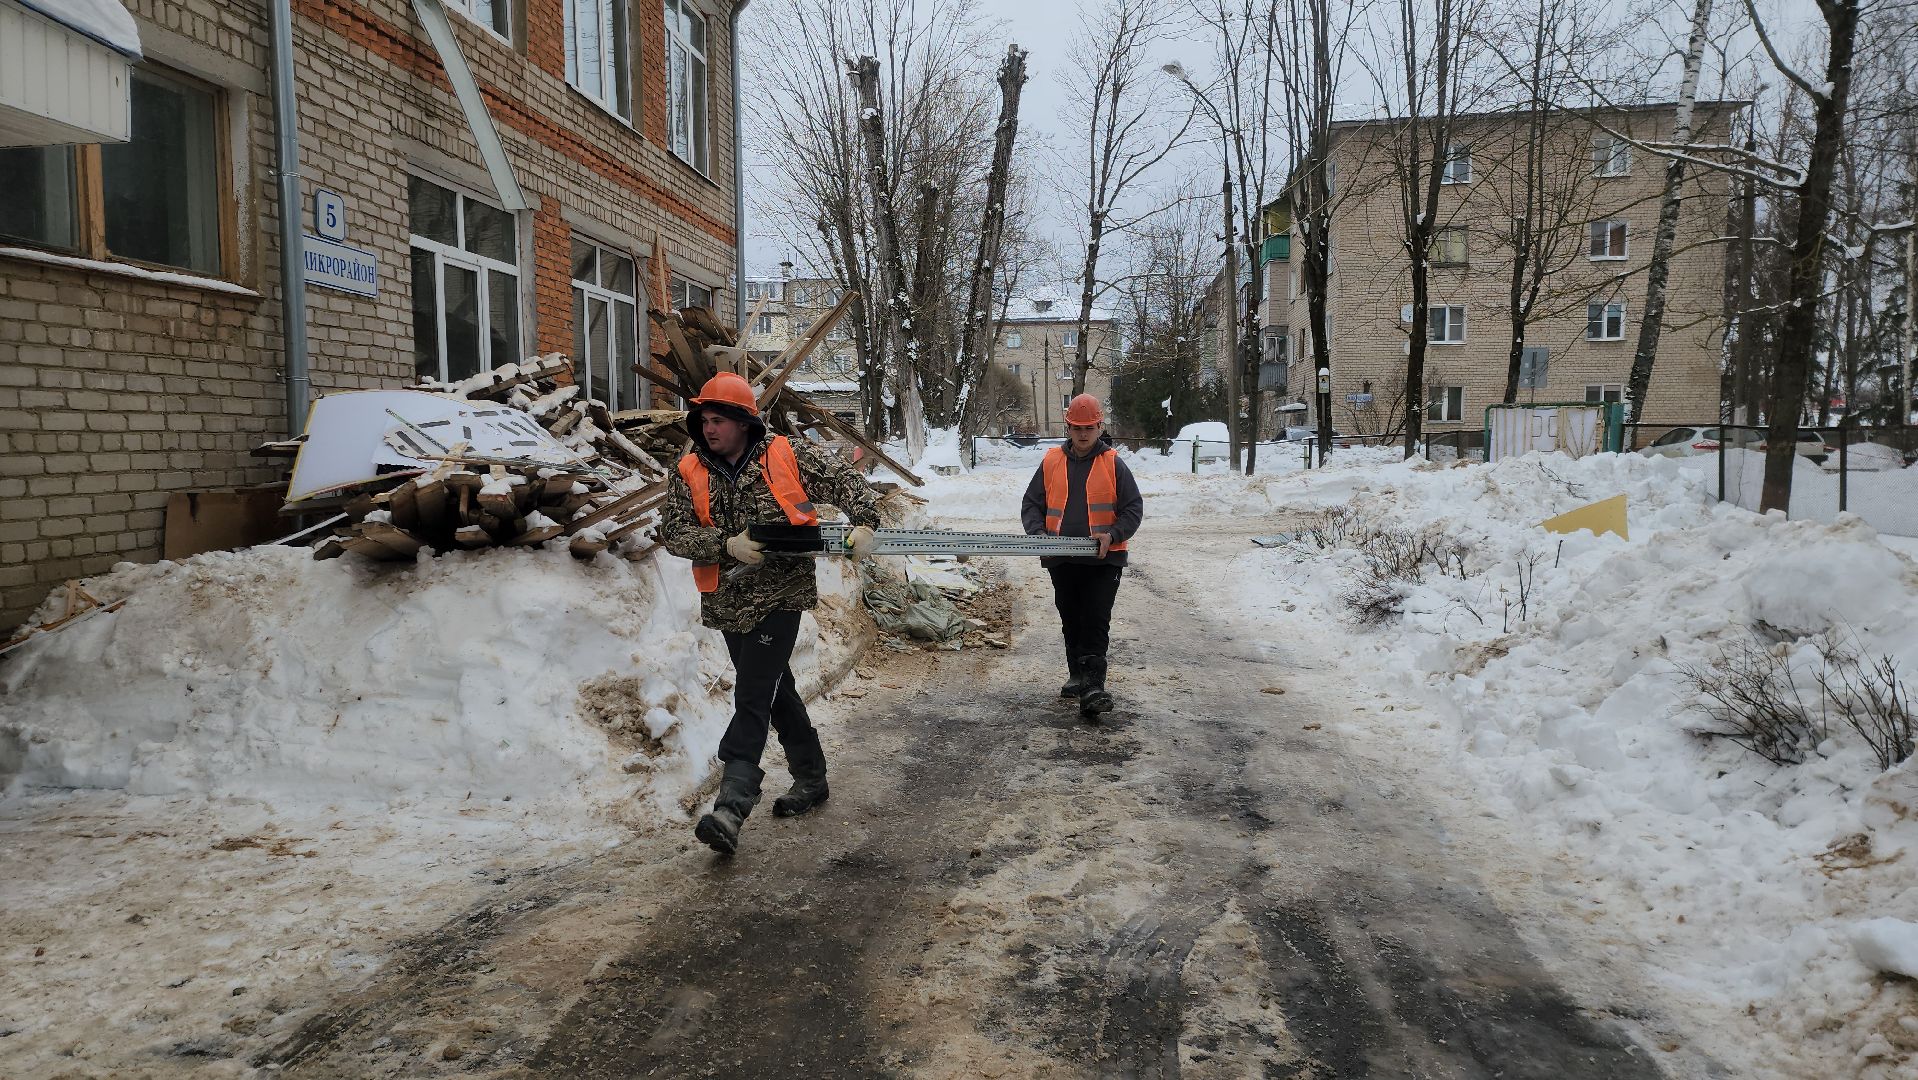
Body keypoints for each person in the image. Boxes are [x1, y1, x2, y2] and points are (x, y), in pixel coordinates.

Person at [660, 372, 882, 855]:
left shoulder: (786, 453)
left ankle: (732, 805)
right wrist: (725, 544)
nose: (709, 429)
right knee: (776, 691)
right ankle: (812, 779)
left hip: (780, 596)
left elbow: (851, 486)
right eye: (703, 420)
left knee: (753, 693)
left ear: (743, 421)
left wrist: (865, 524)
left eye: (718, 419)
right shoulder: (688, 468)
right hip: (727, 601)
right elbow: (672, 531)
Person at [1020, 394, 1144, 718]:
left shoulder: (1113, 463)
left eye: (1090, 427)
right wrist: (1038, 535)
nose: (1084, 434)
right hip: (1061, 559)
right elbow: (1031, 504)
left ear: (1100, 426)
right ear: (1069, 427)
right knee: (1071, 617)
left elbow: (1133, 509)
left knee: (1095, 619)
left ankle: (1093, 687)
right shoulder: (1051, 461)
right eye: (1078, 428)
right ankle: (1077, 674)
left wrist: (1113, 534)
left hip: (1104, 560)